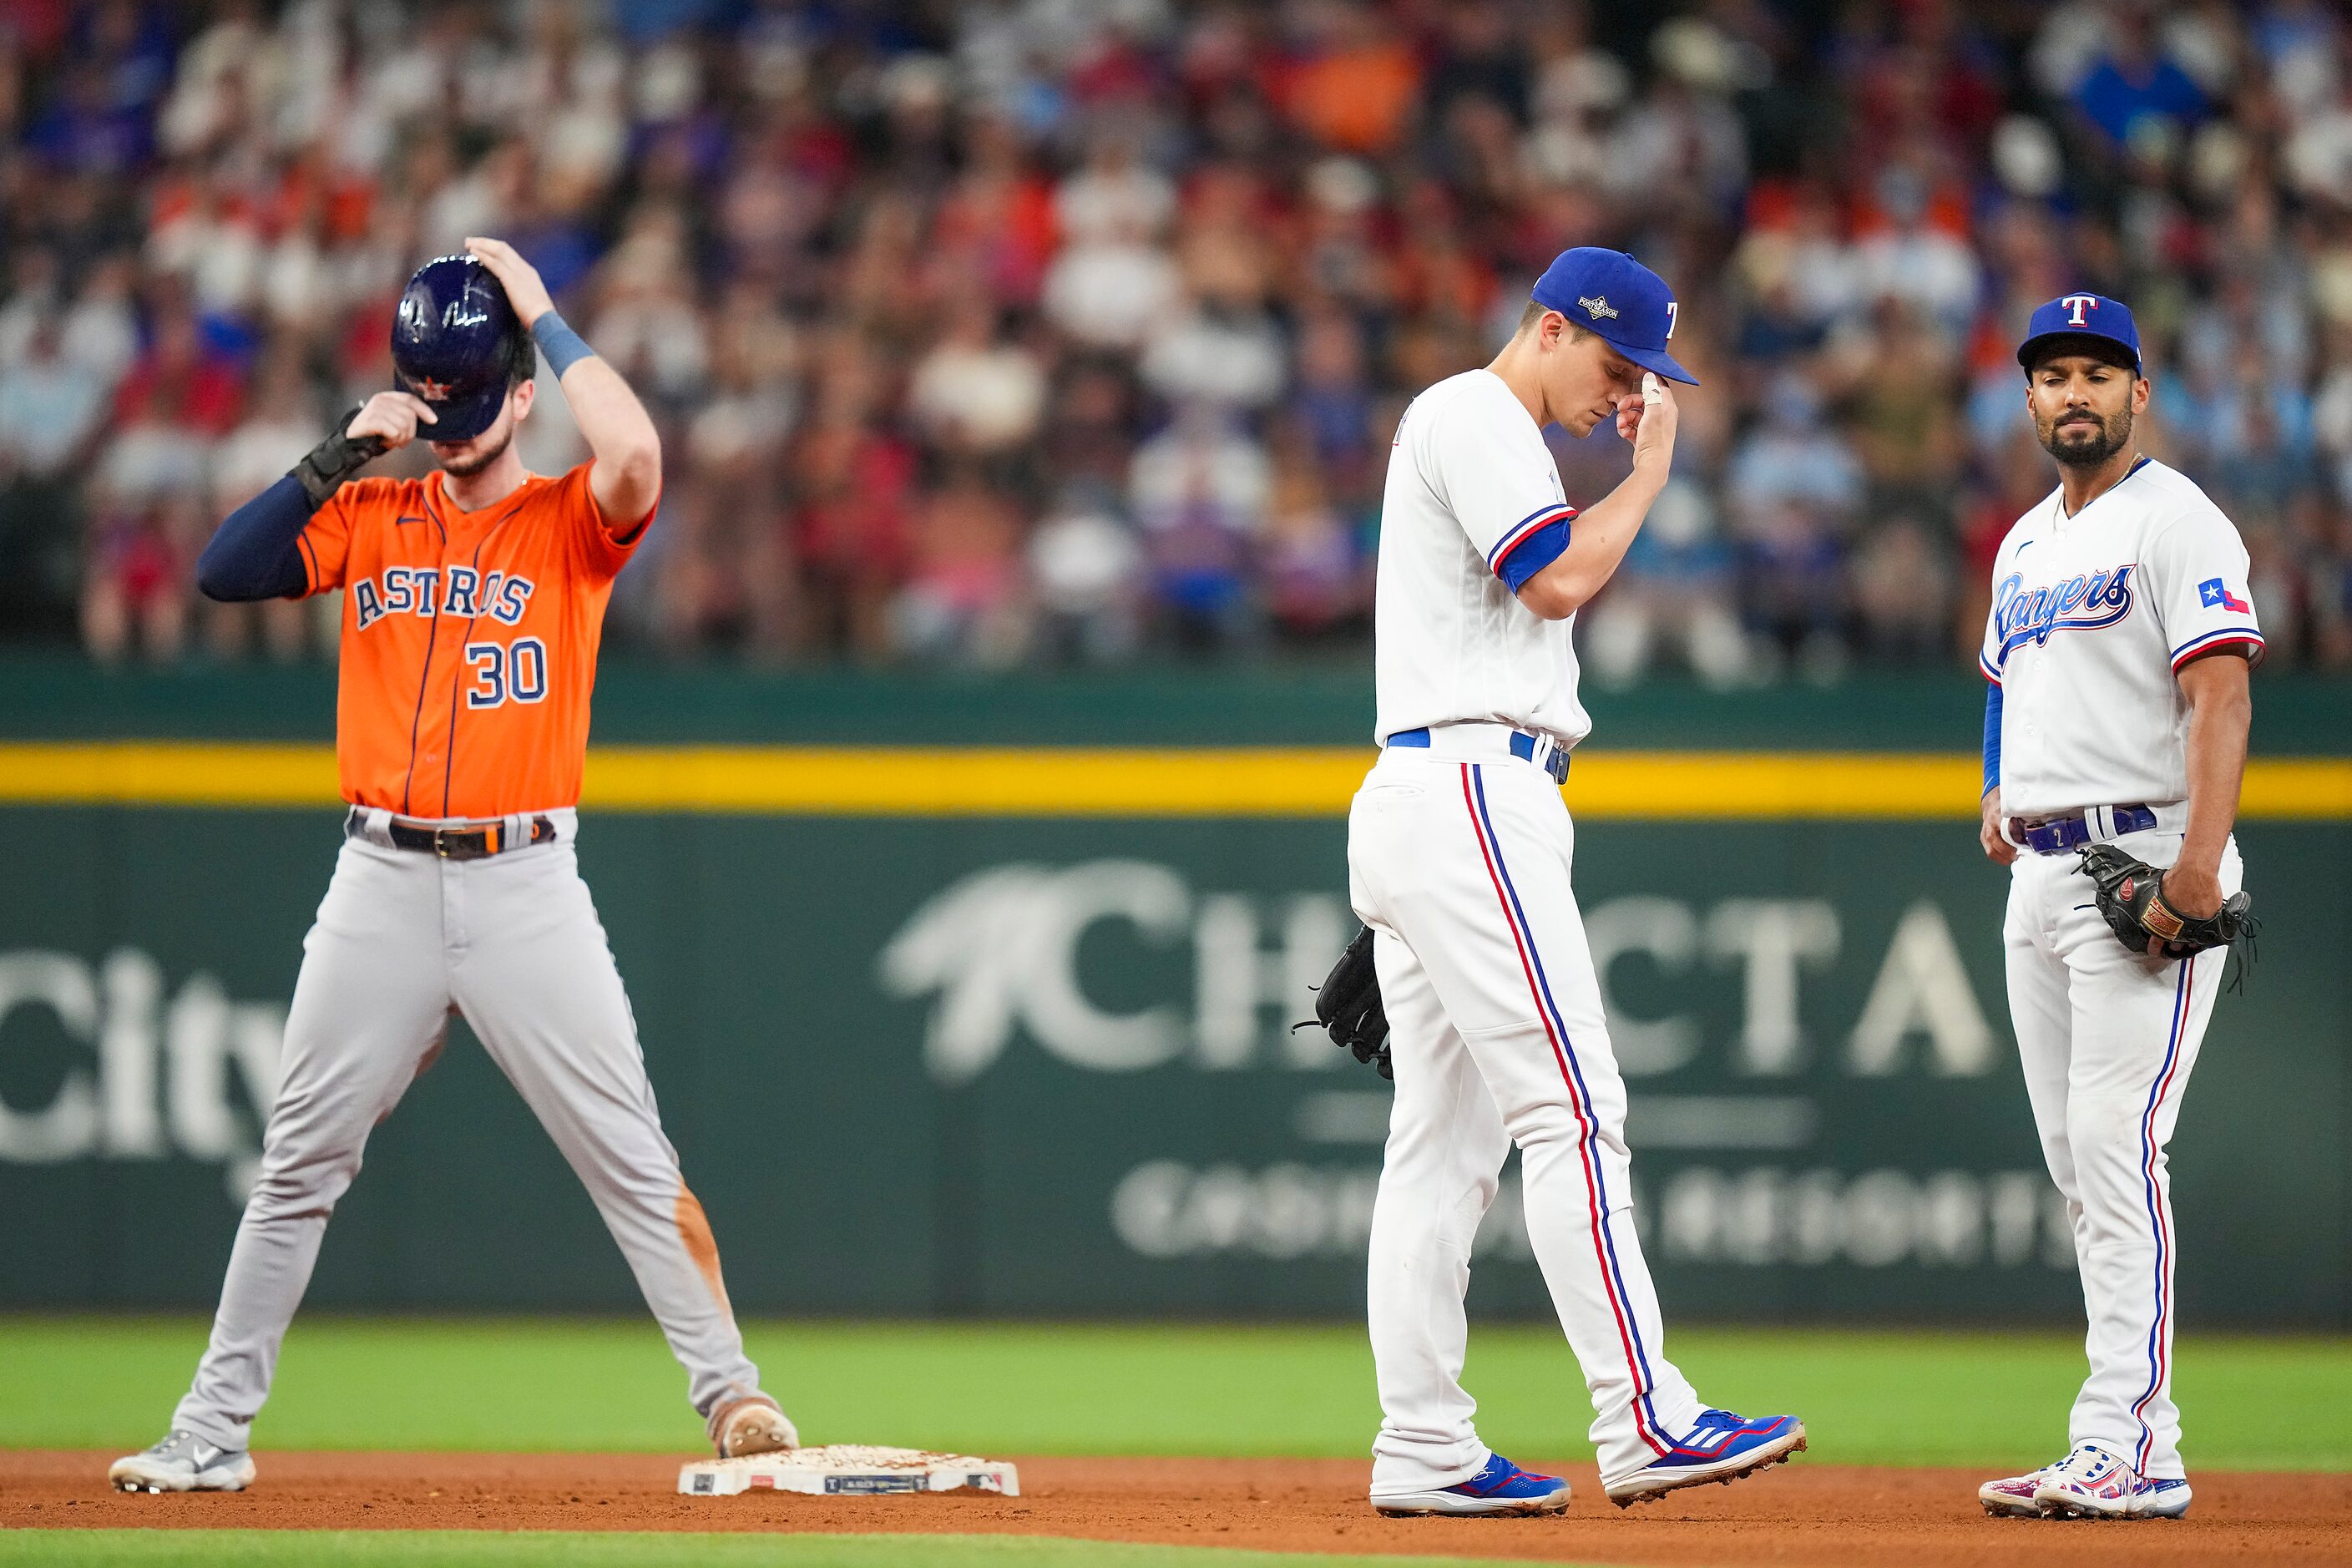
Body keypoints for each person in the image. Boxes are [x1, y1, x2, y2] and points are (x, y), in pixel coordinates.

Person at [107, 245, 796, 1494]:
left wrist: (543, 314)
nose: (448, 424)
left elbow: (639, 456)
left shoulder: (570, 522)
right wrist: (338, 451)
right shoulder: (373, 511)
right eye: (432, 398)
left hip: (525, 879)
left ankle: (734, 1393)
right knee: (298, 1162)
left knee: (628, 1157)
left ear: (517, 394)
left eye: (470, 398)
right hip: (378, 877)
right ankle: (211, 1430)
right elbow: (226, 570)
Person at [1346, 247, 1805, 1517]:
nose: (1629, 393)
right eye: (1616, 365)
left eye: (1646, 376)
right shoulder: (1474, 410)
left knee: (1440, 1152)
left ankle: (1423, 1445)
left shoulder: (1494, 430)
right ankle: (1644, 1415)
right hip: (1473, 788)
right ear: (1549, 327)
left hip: (1432, 792)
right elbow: (1552, 574)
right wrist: (1650, 472)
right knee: (1573, 1111)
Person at [1975, 294, 2261, 1522]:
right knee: (2077, 1164)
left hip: (2142, 860)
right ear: (2028, 399)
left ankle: (2132, 1440)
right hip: (2040, 874)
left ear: (2138, 393)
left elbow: (2219, 695)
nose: (2074, 392)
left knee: (2113, 1146)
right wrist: (1995, 780)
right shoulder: (2022, 541)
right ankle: (2121, 1433)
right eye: (2054, 375)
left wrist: (2196, 867)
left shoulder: (2176, 517)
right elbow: (2002, 678)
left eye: (2098, 372)